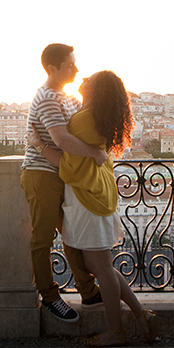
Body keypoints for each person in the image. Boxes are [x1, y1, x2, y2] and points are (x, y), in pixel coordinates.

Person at [46, 70, 157, 346]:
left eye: (89, 80)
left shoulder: (84, 119)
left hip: (88, 198)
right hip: (98, 194)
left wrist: (40, 147)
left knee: (101, 267)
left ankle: (116, 331)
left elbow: (66, 155)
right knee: (101, 265)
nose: (82, 81)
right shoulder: (97, 117)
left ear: (97, 90)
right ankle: (141, 315)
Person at [22, 43, 107, 322]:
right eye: (70, 65)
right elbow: (62, 139)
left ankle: (88, 290)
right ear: (52, 68)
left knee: (71, 234)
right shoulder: (47, 97)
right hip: (42, 173)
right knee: (43, 238)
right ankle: (49, 296)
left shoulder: (66, 96)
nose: (76, 69)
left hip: (62, 173)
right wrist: (94, 153)